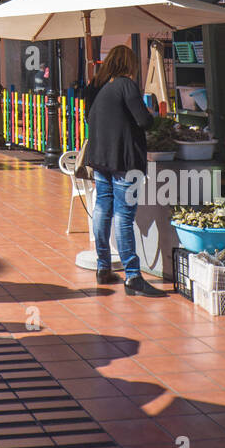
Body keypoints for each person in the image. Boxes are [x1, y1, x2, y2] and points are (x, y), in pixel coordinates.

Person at [84, 44, 161, 296]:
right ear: (128, 64)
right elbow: (144, 121)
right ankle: (132, 275)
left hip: (100, 158)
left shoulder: (96, 87)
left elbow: (90, 117)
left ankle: (103, 266)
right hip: (124, 160)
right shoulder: (126, 85)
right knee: (124, 215)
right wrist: (149, 112)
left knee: (102, 209)